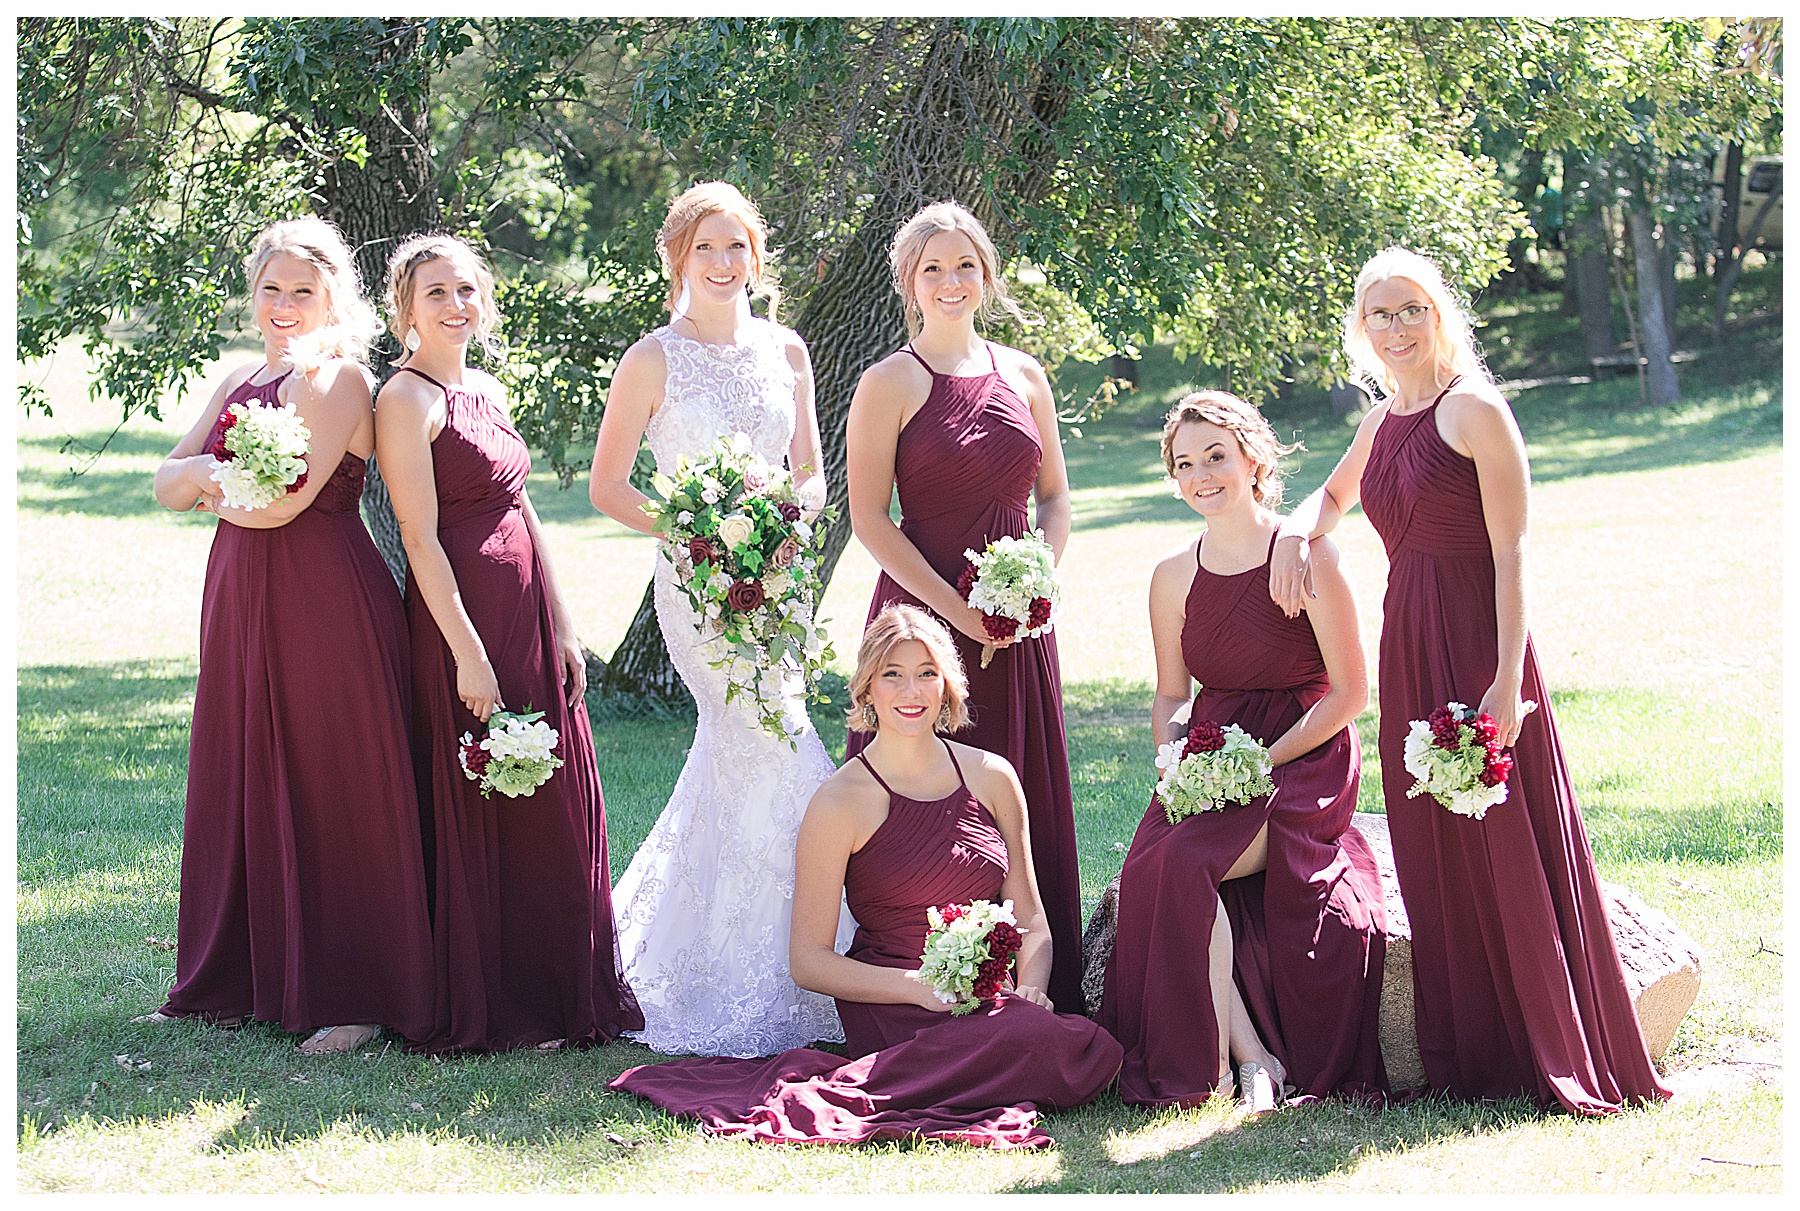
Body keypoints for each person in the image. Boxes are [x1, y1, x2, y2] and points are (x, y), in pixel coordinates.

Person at [1268, 246, 1671, 1114]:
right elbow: (1330, 499)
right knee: (1434, 843)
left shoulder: (1476, 410)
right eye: (1380, 314)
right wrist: (1297, 535)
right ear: (1361, 328)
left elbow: (1511, 552)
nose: (1397, 327)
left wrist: (1503, 681)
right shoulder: (1381, 420)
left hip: (1479, 642)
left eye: (1411, 308)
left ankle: (1548, 1046)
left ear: (1439, 311)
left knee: (1503, 837)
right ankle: (1469, 1051)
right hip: (1408, 637)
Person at [609, 605, 1122, 1148]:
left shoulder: (993, 777)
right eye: (893, 675)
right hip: (890, 1001)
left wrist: (1032, 989)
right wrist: (916, 989)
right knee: (1059, 1048)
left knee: (1087, 1047)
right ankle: (961, 1065)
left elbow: (1033, 922)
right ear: (868, 689)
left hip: (986, 995)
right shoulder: (838, 802)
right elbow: (808, 962)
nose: (912, 691)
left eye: (927, 674)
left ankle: (990, 1055)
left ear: (948, 686)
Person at [149, 217, 433, 1053]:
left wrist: (204, 485)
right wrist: (204, 476)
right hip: (241, 595)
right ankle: (228, 980)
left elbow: (282, 506)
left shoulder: (340, 377)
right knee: (239, 769)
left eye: (302, 291)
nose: (283, 304)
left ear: (332, 297)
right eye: (271, 289)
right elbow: (166, 478)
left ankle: (356, 991)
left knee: (329, 775)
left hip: (323, 598)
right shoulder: (243, 375)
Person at [589, 181, 850, 1057]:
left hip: (778, 581)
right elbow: (608, 485)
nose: (724, 262)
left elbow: (811, 472)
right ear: (677, 259)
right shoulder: (652, 358)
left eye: (737, 246)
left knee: (769, 739)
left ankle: (784, 951)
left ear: (756, 257)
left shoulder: (789, 350)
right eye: (706, 247)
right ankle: (760, 967)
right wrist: (697, 530)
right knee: (760, 740)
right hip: (696, 586)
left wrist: (784, 518)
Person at [376, 233, 640, 1052]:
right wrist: (468, 652)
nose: (457, 305)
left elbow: (522, 509)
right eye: (436, 294)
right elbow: (419, 537)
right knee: (485, 797)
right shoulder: (406, 399)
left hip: (525, 615)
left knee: (549, 800)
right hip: (464, 623)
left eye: (466, 290)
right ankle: (502, 1003)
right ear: (405, 312)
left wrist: (561, 621)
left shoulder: (486, 387)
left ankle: (560, 989)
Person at [1099, 393, 1387, 1112]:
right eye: (1185, 463)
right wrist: (1174, 755)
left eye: (1216, 456)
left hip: (1304, 747)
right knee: (1151, 869)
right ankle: (1248, 1057)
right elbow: (1172, 692)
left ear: (1255, 459)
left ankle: (1255, 1062)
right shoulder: (1172, 575)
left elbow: (1350, 693)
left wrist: (1268, 759)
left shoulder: (1306, 553)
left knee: (1186, 861)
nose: (1202, 475)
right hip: (1211, 751)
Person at [843, 200, 1085, 1014]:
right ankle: (931, 982)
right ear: (909, 282)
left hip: (1017, 633)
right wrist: (959, 611)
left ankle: (1038, 981)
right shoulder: (889, 382)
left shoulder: (1024, 374)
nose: (951, 282)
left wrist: (1033, 585)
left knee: (1015, 793)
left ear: (987, 275)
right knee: (925, 792)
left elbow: (1054, 499)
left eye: (966, 266)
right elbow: (870, 518)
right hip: (921, 618)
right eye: (933, 268)